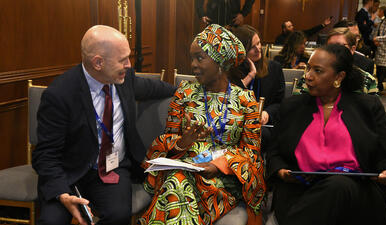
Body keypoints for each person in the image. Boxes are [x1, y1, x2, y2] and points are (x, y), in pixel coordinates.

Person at [32, 25, 176, 225]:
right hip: (69, 172)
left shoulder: (124, 79)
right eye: (123, 59)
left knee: (118, 216)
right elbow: (46, 155)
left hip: (113, 167)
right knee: (51, 221)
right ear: (98, 63)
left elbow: (155, 88)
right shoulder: (60, 95)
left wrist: (190, 91)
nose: (128, 65)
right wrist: (63, 194)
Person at [139, 24, 266, 225]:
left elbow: (251, 152)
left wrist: (218, 165)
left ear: (221, 62)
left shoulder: (245, 100)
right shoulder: (184, 93)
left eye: (200, 58)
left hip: (222, 179)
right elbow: (166, 139)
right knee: (177, 181)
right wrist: (183, 142)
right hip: (184, 166)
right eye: (192, 58)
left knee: (176, 186)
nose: (193, 65)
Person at [269, 44, 386, 225]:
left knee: (339, 185)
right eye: (308, 68)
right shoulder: (292, 106)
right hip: (301, 191)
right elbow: (274, 152)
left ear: (339, 77)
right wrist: (282, 172)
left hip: (358, 194)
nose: (308, 76)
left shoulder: (368, 107)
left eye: (318, 71)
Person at [229, 24, 285, 155]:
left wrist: (267, 113)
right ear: (241, 51)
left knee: (262, 134)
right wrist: (250, 75)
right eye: (252, 48)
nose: (258, 49)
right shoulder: (231, 71)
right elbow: (229, 99)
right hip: (236, 125)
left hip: (263, 127)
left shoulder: (274, 68)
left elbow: (280, 102)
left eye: (259, 43)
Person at [293, 27, 378, 95]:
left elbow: (373, 113)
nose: (333, 51)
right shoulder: (309, 77)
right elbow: (297, 108)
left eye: (339, 46)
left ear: (352, 49)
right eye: (330, 46)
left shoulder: (367, 80)